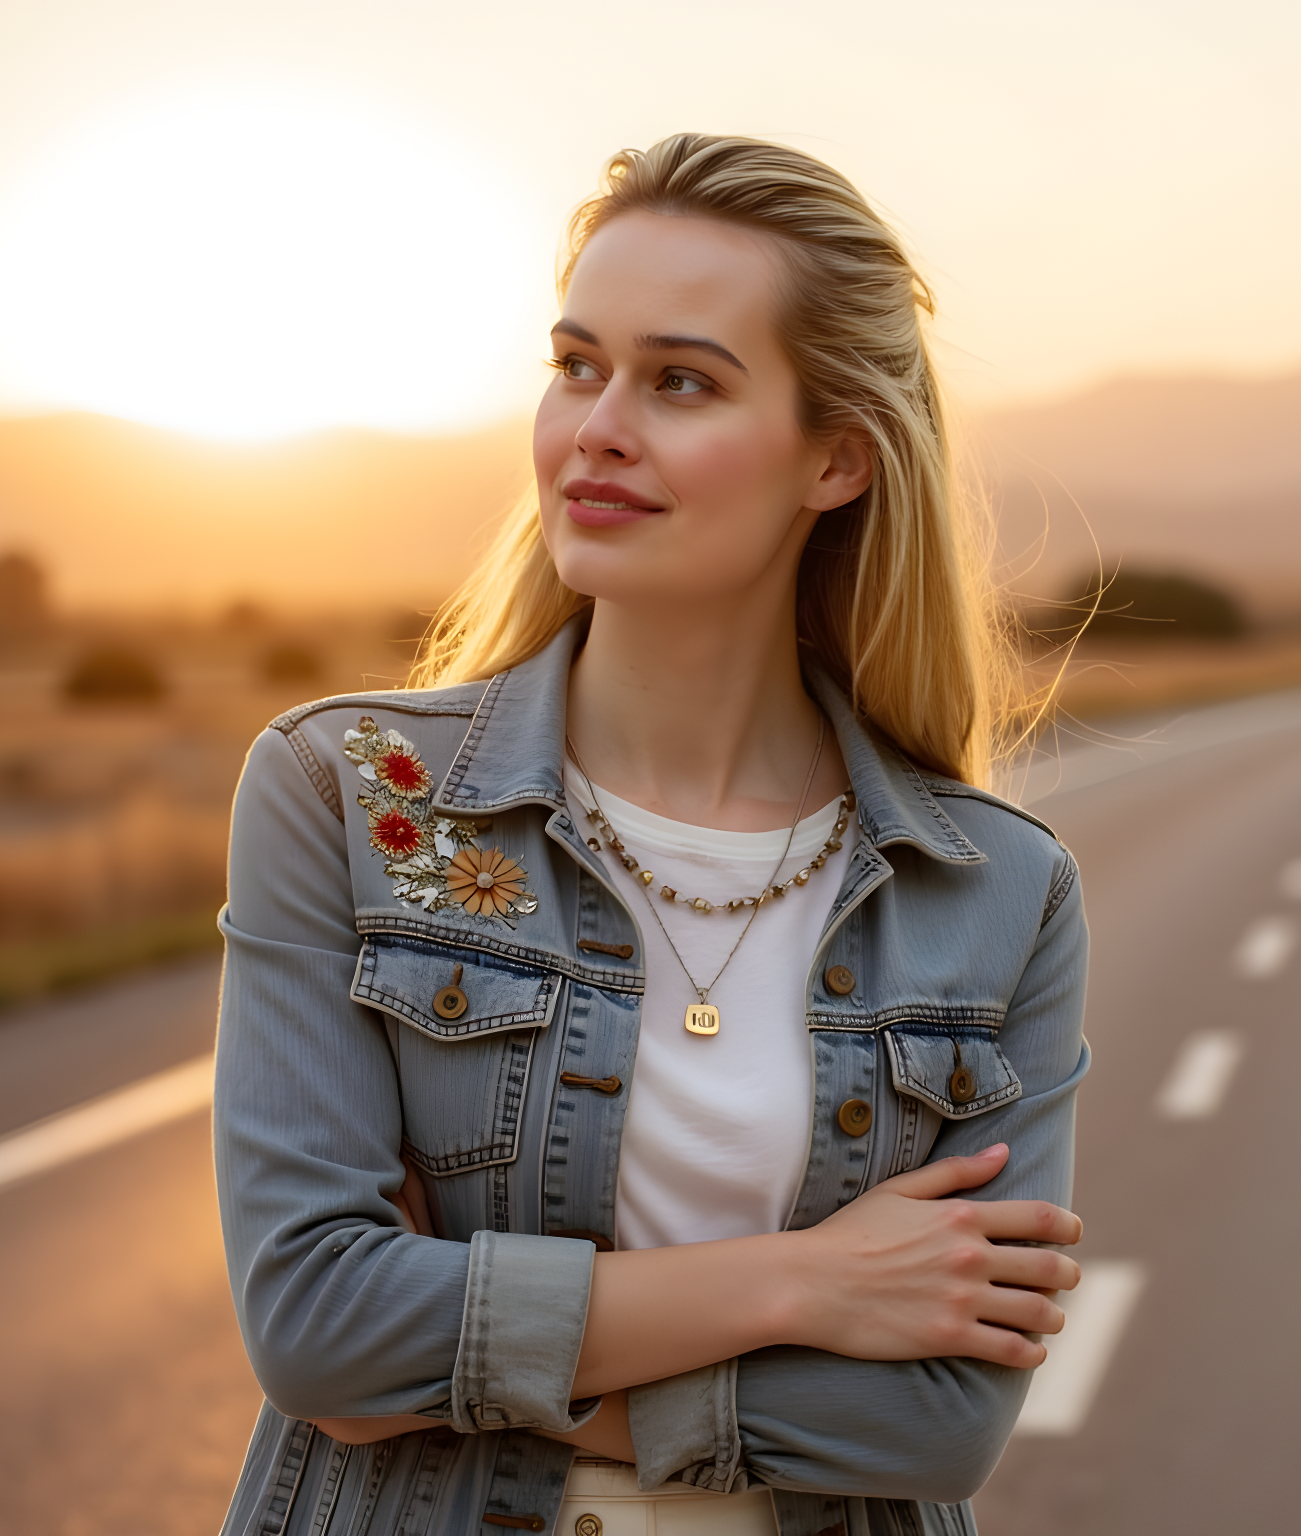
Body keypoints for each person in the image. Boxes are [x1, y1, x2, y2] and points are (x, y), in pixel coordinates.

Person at [213, 133, 1089, 1536]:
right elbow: (320, 1327)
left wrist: (459, 1355)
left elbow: (936, 1423)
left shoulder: (998, 892)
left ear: (838, 460)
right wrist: (805, 1287)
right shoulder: (356, 794)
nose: (598, 426)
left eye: (680, 380)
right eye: (577, 366)